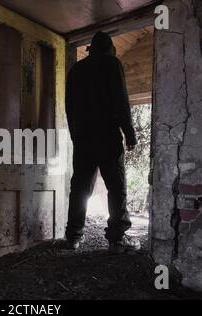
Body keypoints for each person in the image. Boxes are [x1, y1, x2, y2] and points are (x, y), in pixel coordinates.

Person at [65, 31, 141, 253]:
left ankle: (73, 237)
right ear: (109, 49)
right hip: (107, 135)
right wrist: (130, 133)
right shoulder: (111, 64)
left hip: (83, 139)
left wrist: (75, 135)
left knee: (80, 188)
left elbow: (70, 108)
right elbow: (121, 102)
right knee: (116, 188)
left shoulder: (76, 70)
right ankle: (117, 239)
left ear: (91, 50)